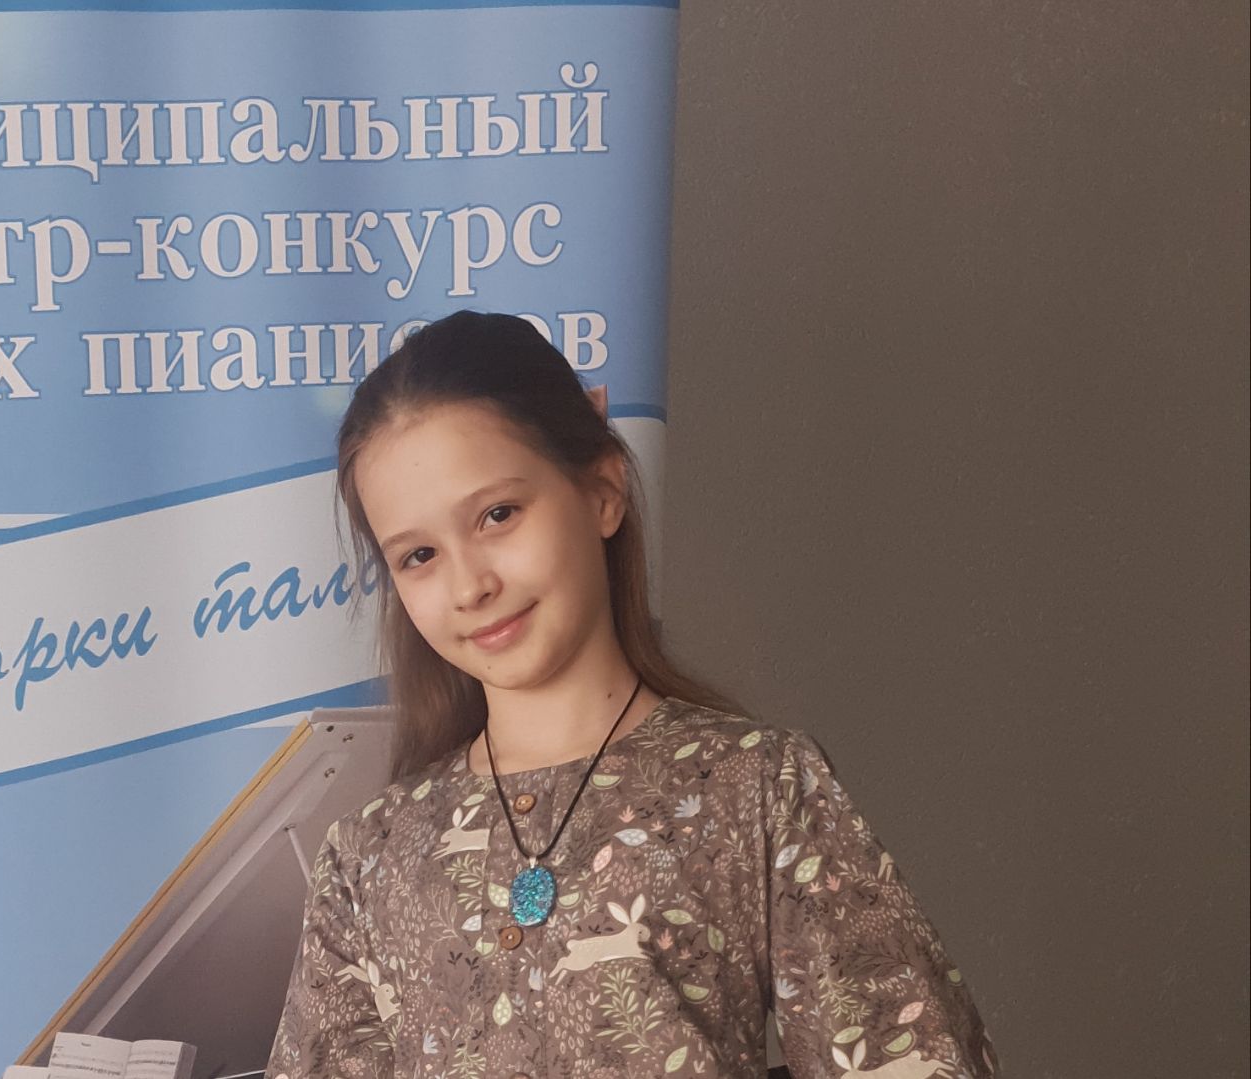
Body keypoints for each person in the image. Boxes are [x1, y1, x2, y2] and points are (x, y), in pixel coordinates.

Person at [264, 312, 998, 1079]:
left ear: (603, 491)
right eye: (419, 554)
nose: (470, 583)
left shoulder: (755, 787)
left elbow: (915, 1058)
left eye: (498, 514)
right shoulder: (369, 854)